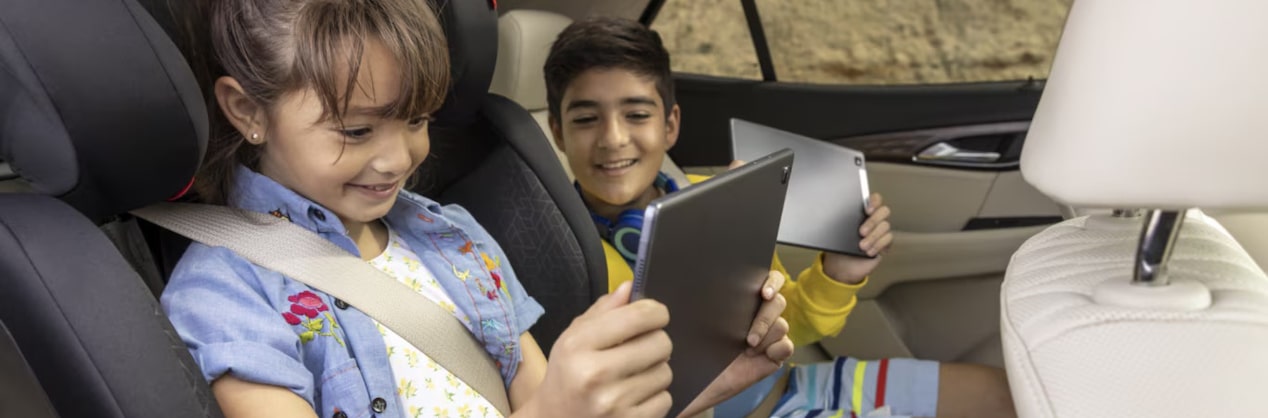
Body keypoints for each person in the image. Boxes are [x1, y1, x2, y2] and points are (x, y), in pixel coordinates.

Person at [158, 1, 792, 417]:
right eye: (356, 132)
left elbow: (544, 401)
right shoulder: (227, 293)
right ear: (247, 112)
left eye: (417, 120)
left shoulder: (451, 237)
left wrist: (702, 384)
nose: (397, 158)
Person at [543, 17, 1016, 418]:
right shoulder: (567, 258)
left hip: (795, 385)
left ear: (671, 126)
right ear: (558, 133)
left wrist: (836, 273)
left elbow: (789, 322)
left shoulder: (711, 202)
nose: (612, 139)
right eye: (586, 119)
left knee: (1003, 395)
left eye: (636, 115)